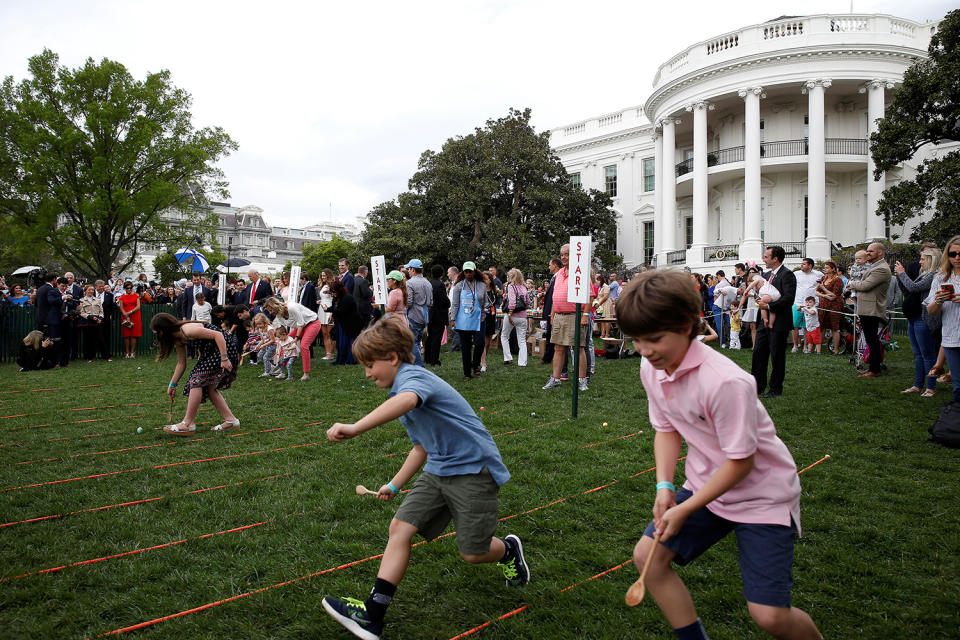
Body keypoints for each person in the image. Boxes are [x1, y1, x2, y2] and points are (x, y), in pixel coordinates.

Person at [617, 270, 821, 640]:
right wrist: (665, 487)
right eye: (636, 340)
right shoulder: (652, 367)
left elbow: (742, 461)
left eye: (654, 339)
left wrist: (685, 507)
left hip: (762, 495)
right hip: (705, 484)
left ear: (686, 326)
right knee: (648, 557)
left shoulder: (726, 382)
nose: (643, 351)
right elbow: (666, 429)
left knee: (770, 616)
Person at [321, 318, 529, 639]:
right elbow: (421, 446)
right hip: (439, 469)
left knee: (472, 553)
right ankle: (373, 614)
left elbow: (406, 401)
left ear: (392, 357)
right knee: (400, 528)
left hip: (474, 469)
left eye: (370, 365)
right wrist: (394, 484)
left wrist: (355, 427)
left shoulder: (413, 379)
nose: (367, 373)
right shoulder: (400, 391)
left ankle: (508, 551)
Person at [151, 312, 240, 436]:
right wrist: (172, 384)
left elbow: (219, 335)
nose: (157, 336)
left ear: (163, 329)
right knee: (209, 388)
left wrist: (224, 359)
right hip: (210, 353)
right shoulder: (178, 338)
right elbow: (182, 363)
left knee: (196, 379)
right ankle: (231, 421)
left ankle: (187, 424)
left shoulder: (187, 330)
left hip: (223, 349)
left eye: (157, 332)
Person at [751, 246, 797, 398]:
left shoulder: (787, 275)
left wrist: (769, 306)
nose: (763, 259)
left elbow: (788, 298)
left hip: (779, 322)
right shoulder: (766, 275)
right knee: (758, 353)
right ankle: (757, 387)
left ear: (775, 258)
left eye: (766, 257)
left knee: (777, 356)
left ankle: (775, 389)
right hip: (763, 322)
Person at [543, 244, 590, 392]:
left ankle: (582, 380)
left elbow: (589, 295)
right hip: (559, 316)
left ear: (575, 255)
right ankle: (556, 378)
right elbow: (555, 295)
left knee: (578, 348)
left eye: (567, 254)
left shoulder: (580, 272)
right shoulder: (559, 274)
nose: (563, 257)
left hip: (575, 315)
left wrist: (586, 315)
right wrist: (553, 313)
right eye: (562, 254)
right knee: (558, 347)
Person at [846, 242, 892, 378]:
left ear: (880, 253)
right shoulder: (874, 266)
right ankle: (873, 367)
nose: (867, 253)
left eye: (871, 251)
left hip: (872, 308)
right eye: (867, 251)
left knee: (872, 339)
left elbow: (866, 285)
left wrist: (851, 284)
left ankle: (875, 369)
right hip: (866, 307)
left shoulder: (881, 269)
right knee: (870, 338)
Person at [925, 235, 960, 403]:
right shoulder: (941, 278)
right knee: (958, 388)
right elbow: (931, 311)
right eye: (953, 254)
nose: (957, 258)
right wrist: (938, 301)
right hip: (952, 338)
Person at [263, 296, 322, 380]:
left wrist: (296, 338)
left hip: (312, 323)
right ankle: (281, 368)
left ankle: (306, 374)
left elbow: (301, 323)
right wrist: (279, 339)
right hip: (299, 327)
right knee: (284, 343)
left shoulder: (291, 308)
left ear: (275, 307)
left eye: (270, 310)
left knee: (303, 346)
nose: (270, 313)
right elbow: (281, 329)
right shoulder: (279, 315)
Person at [449, 262, 486, 380]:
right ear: (463, 272)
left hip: (479, 319)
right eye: (466, 272)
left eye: (470, 271)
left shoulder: (481, 285)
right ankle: (467, 373)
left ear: (474, 271)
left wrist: (488, 309)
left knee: (480, 343)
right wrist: (452, 319)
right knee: (466, 346)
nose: (468, 274)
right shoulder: (459, 286)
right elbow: (454, 304)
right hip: (463, 320)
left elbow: (484, 302)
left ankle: (475, 364)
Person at [403, 259, 432, 368]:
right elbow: (430, 302)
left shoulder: (410, 283)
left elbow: (409, 302)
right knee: (418, 342)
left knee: (413, 342)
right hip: (424, 315)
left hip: (414, 315)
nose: (408, 271)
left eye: (409, 269)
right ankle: (416, 365)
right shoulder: (427, 282)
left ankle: (419, 366)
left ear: (413, 269)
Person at [791, 259, 824, 353]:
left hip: (812, 305)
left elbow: (822, 286)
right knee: (794, 325)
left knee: (807, 327)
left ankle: (806, 346)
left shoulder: (819, 274)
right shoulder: (796, 274)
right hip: (797, 303)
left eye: (804, 264)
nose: (801, 265)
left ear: (810, 266)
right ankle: (795, 345)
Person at [500, 268, 531, 367]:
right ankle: (522, 362)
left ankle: (508, 357)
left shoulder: (511, 286)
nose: (508, 277)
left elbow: (512, 303)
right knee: (522, 340)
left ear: (512, 277)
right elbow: (528, 302)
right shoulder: (523, 287)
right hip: (523, 316)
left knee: (504, 336)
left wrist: (509, 315)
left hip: (512, 315)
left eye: (509, 276)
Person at [330, 279, 363, 366]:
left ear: (339, 290)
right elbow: (336, 309)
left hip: (351, 324)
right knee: (342, 343)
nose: (333, 294)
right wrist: (329, 310)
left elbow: (342, 311)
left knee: (350, 343)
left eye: (334, 291)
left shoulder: (347, 297)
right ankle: (341, 360)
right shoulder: (338, 297)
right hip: (343, 323)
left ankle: (350, 360)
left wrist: (330, 310)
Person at [815, 261, 845, 355]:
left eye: (827, 267)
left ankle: (836, 350)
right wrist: (825, 296)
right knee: (822, 326)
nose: (825, 269)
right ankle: (818, 349)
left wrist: (823, 289)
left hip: (834, 306)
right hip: (823, 305)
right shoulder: (823, 278)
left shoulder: (837, 280)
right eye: (825, 267)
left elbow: (834, 295)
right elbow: (816, 292)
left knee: (834, 328)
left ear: (833, 269)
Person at [424, 264, 450, 366]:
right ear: (442, 274)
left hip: (430, 313)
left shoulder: (429, 283)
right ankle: (434, 359)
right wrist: (449, 303)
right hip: (439, 314)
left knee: (430, 337)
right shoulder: (440, 285)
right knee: (436, 338)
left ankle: (427, 357)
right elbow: (443, 299)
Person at [538, 258, 561, 365]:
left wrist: (551, 311)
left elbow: (555, 296)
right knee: (549, 334)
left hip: (554, 311)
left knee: (552, 335)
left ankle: (548, 357)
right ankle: (548, 357)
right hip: (550, 310)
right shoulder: (554, 277)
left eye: (550, 265)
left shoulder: (559, 277)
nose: (549, 267)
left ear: (555, 265)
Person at [78, 284, 106, 362]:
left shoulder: (98, 300)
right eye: (89, 290)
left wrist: (100, 318)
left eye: (92, 290)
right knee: (88, 340)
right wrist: (90, 317)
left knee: (101, 339)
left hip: (97, 321)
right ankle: (88, 357)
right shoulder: (82, 300)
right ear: (85, 291)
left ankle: (106, 356)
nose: (91, 291)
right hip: (87, 321)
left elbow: (101, 311)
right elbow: (81, 312)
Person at [118, 281, 142, 359]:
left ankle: (132, 352)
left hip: (135, 316)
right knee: (126, 335)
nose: (129, 289)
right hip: (125, 316)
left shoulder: (136, 295)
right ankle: (127, 352)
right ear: (124, 288)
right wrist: (126, 314)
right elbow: (121, 307)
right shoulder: (122, 296)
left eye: (130, 288)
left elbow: (138, 306)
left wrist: (129, 312)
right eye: (127, 288)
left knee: (134, 335)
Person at [250, 313, 278, 377]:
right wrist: (258, 345)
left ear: (265, 322)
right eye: (257, 324)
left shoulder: (269, 329)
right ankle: (271, 366)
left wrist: (263, 345)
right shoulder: (260, 329)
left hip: (273, 345)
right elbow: (262, 340)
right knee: (260, 356)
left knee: (265, 357)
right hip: (266, 345)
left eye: (260, 324)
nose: (258, 325)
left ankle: (267, 372)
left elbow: (273, 340)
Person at [318, 268, 337, 360]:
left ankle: (331, 353)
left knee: (330, 333)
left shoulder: (332, 285)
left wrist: (332, 313)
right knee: (324, 333)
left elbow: (335, 299)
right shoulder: (323, 285)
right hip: (321, 310)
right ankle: (327, 353)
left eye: (324, 275)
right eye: (322, 275)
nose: (323, 277)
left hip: (329, 310)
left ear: (328, 275)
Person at [595, 274, 612, 338]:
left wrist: (599, 303)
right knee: (602, 319)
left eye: (597, 281)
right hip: (601, 303)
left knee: (607, 319)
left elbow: (605, 297)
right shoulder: (600, 287)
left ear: (600, 280)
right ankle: (602, 333)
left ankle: (607, 334)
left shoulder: (606, 286)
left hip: (606, 303)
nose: (596, 282)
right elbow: (599, 296)